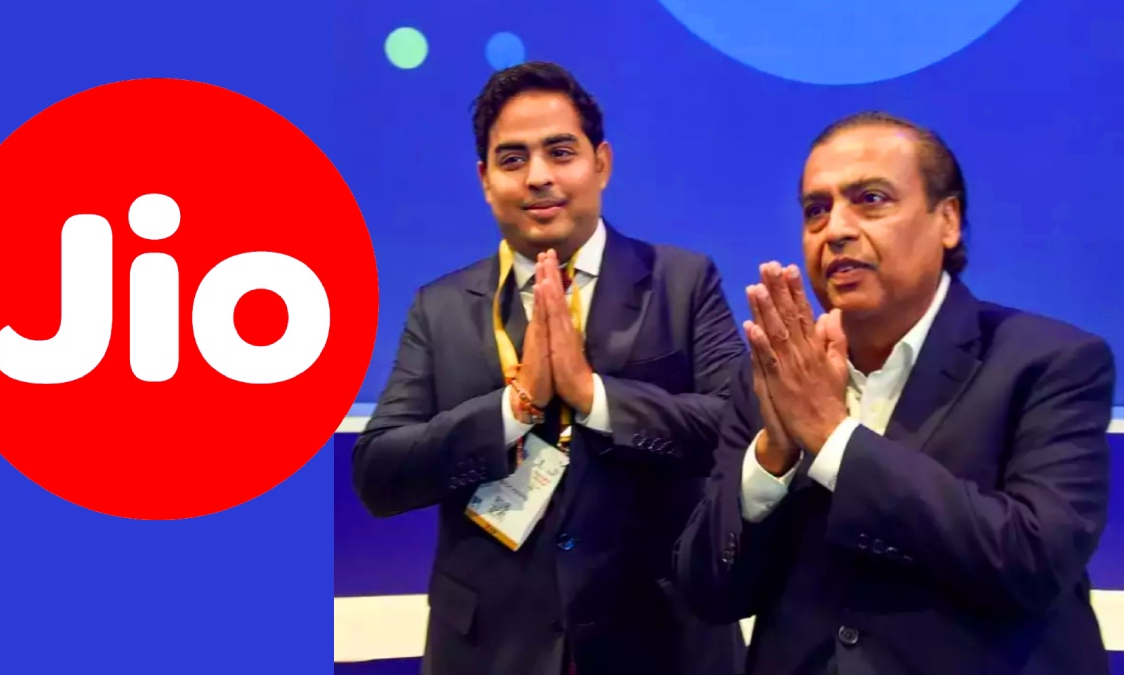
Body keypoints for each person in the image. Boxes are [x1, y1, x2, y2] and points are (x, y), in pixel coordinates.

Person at [674, 111, 1115, 675]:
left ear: (947, 220)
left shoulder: (1050, 362)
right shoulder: (773, 376)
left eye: (871, 199)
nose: (835, 229)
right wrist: (773, 459)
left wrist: (833, 440)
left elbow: (1032, 561)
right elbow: (710, 593)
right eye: (816, 210)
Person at [353, 61, 748, 675]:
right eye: (513, 159)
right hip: (489, 650)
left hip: (660, 641)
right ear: (486, 181)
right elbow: (379, 473)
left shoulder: (683, 282)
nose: (539, 176)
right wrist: (514, 409)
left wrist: (594, 397)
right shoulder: (440, 308)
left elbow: (737, 433)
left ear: (601, 164)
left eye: (560, 152)